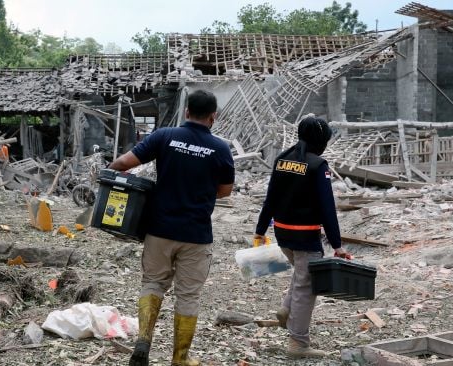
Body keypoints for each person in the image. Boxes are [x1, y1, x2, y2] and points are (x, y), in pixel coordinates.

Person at [108, 90, 235, 366]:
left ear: (186, 112)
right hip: (196, 235)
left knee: (153, 283)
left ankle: (143, 340)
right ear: (213, 117)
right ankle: (180, 358)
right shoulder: (221, 149)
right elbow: (225, 191)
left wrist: (109, 173)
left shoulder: (164, 136)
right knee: (188, 295)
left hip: (159, 230)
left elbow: (123, 164)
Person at [253, 116, 349, 359]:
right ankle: (298, 343)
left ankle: (286, 310)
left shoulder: (282, 159)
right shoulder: (318, 165)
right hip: (305, 237)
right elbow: (328, 209)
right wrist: (337, 246)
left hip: (282, 233)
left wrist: (260, 230)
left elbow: (270, 198)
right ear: (321, 140)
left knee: (301, 274)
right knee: (308, 287)